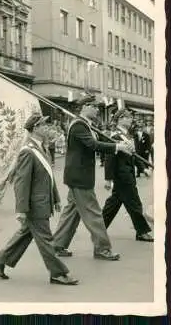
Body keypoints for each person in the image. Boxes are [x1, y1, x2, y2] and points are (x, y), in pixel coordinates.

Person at [0, 114, 78, 285]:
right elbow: (21, 184)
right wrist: (21, 210)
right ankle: (58, 273)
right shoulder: (28, 152)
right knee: (46, 239)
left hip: (42, 202)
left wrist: (56, 198)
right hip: (34, 206)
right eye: (44, 126)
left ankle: (0, 259)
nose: (48, 128)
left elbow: (48, 177)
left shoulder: (41, 148)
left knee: (25, 234)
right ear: (35, 128)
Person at [52, 93, 134, 261]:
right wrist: (118, 146)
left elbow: (98, 140)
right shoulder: (79, 126)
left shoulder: (85, 125)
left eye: (97, 107)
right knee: (94, 214)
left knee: (72, 213)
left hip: (76, 176)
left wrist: (119, 143)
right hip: (80, 178)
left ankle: (57, 245)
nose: (97, 109)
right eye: (94, 107)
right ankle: (102, 249)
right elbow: (93, 145)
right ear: (84, 108)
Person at [102, 109, 153, 242]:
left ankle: (99, 228)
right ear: (120, 119)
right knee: (134, 203)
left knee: (113, 205)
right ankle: (142, 232)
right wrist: (108, 179)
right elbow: (109, 159)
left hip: (128, 174)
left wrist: (143, 169)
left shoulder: (129, 136)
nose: (130, 120)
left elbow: (134, 156)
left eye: (130, 117)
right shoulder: (115, 137)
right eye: (128, 117)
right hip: (122, 176)